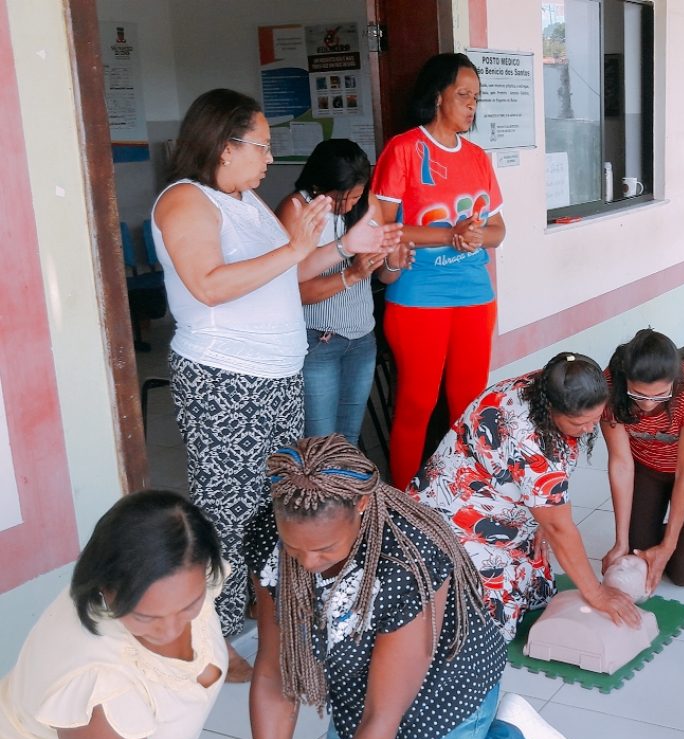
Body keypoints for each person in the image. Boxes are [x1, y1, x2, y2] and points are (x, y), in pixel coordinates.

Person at [152, 88, 402, 675]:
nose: (269, 159)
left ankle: (261, 616)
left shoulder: (246, 200)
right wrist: (296, 245)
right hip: (224, 381)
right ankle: (206, 640)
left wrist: (345, 245)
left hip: (276, 377)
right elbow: (208, 284)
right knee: (226, 509)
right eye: (261, 146)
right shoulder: (185, 200)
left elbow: (290, 269)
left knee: (271, 503)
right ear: (224, 143)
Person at [248, 435, 574, 739]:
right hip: (359, 689)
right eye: (294, 548)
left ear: (361, 504)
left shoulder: (406, 562)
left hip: (444, 689)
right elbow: (274, 670)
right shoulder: (270, 539)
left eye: (325, 550)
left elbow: (384, 713)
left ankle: (513, 738)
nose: (306, 563)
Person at [412, 353, 642, 642]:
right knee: (480, 630)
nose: (589, 429)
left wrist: (541, 520)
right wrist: (596, 593)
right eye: (579, 422)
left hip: (498, 503)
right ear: (552, 410)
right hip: (453, 517)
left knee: (537, 585)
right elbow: (561, 527)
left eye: (595, 419)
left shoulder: (551, 381)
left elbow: (542, 496)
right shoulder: (532, 444)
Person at [0, 491, 228, 739]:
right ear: (105, 588)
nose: (170, 631)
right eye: (146, 617)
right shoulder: (102, 689)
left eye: (189, 606)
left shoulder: (187, 575)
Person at [373, 52, 508, 486]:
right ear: (437, 97)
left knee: (469, 405)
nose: (472, 105)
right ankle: (405, 503)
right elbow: (382, 226)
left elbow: (499, 230)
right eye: (463, 95)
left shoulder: (478, 157)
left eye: (476, 97)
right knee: (416, 403)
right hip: (418, 296)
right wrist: (451, 235)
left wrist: (474, 236)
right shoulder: (404, 149)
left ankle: (462, 493)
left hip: (474, 295)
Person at [280, 139, 413, 446]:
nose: (352, 204)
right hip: (317, 340)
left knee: (349, 438)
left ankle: (345, 495)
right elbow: (291, 292)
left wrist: (394, 263)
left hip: (362, 338)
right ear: (317, 186)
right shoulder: (296, 209)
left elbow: (384, 276)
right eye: (343, 198)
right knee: (320, 443)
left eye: (357, 195)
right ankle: (319, 496)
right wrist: (351, 273)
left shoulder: (368, 204)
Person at [600, 329, 684, 592]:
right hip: (647, 467)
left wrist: (669, 546)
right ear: (625, 380)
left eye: (659, 395)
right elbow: (621, 464)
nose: (648, 404)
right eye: (638, 394)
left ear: (674, 380)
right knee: (637, 552)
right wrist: (620, 542)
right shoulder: (610, 385)